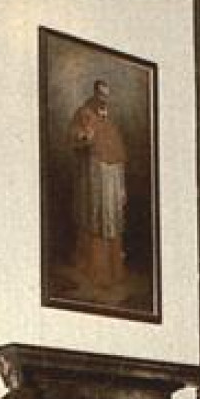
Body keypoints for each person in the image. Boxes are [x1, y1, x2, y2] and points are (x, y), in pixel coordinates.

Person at [69, 78, 128, 295]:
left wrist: (122, 186)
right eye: (101, 95)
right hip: (94, 176)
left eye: (106, 95)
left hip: (112, 177)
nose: (104, 99)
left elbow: (118, 153)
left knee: (111, 219)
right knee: (97, 219)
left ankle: (113, 272)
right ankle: (97, 272)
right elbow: (74, 136)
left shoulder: (109, 120)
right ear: (95, 94)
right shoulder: (84, 113)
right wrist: (84, 136)